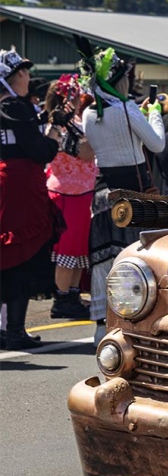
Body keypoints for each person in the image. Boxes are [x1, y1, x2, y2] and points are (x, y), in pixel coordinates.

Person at [80, 46, 165, 343]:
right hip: (134, 191)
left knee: (105, 259)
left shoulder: (89, 113)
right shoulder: (128, 109)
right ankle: (138, 319)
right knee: (138, 257)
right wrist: (154, 114)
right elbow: (156, 145)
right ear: (119, 80)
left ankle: (101, 325)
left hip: (103, 190)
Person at [0, 49, 63, 350]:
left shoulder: (16, 106)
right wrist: (53, 139)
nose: (26, 76)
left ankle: (11, 329)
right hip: (17, 185)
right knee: (17, 253)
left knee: (13, 253)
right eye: (22, 72)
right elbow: (39, 150)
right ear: (16, 77)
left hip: (16, 183)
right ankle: (13, 330)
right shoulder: (12, 106)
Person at [44, 75, 98, 320]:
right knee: (67, 251)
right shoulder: (59, 125)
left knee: (77, 251)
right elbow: (86, 153)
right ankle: (62, 298)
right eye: (75, 94)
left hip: (80, 192)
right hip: (68, 193)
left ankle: (72, 295)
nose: (80, 98)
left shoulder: (69, 122)